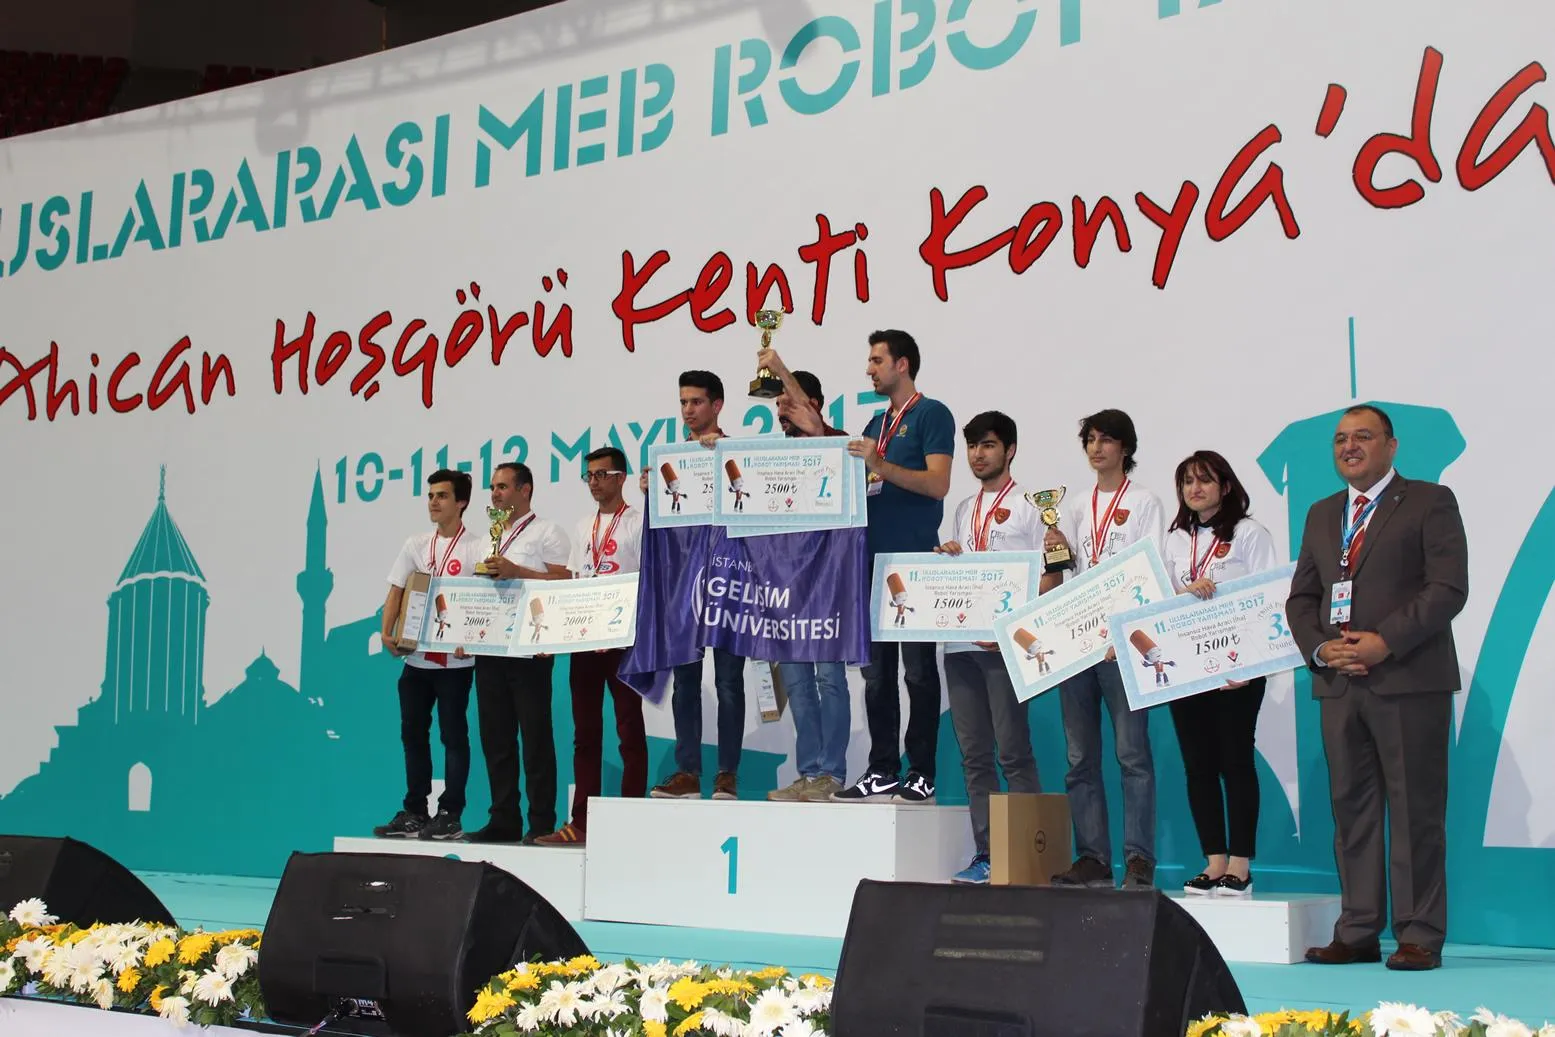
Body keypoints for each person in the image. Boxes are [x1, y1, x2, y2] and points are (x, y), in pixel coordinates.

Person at [1287, 404, 1468, 971]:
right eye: (1341, 438)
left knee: (1416, 812)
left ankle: (1418, 935)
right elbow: (1302, 598)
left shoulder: (1430, 502)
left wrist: (1384, 642)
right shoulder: (1322, 513)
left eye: (1363, 436)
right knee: (1352, 811)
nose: (1350, 446)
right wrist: (1323, 649)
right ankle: (1359, 929)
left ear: (1391, 446)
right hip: (1340, 685)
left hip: (1408, 680)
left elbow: (1448, 588)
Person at [1042, 409, 1165, 889]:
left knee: (1132, 756)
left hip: (1123, 646)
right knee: (1080, 759)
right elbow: (1070, 570)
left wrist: (1126, 634)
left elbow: (1150, 571)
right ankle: (1093, 857)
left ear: (1124, 448)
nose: (1096, 448)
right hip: (1078, 646)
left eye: (1106, 439)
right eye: (1090, 440)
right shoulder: (1075, 505)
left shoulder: (1145, 502)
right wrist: (1056, 549)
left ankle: (1139, 859)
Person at [834, 330, 954, 804]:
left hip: (914, 561)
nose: (869, 369)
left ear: (902, 364)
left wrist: (880, 465)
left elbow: (938, 484)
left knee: (919, 673)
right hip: (871, 563)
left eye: (876, 360)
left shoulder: (932, 414)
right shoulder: (875, 422)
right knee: (876, 675)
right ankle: (882, 769)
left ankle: (921, 771)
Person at [1162, 450, 1280, 897]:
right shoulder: (1175, 539)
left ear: (1225, 487)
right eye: (1188, 482)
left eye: (1205, 480)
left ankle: (1240, 864)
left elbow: (1270, 597)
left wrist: (1253, 664)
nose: (1195, 489)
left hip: (1237, 668)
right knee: (1198, 766)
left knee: (1235, 760)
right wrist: (1184, 594)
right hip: (1188, 668)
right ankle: (1213, 861)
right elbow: (1160, 601)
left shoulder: (1249, 534)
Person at [936, 411, 1043, 884]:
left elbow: (1049, 577)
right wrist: (949, 559)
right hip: (960, 646)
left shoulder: (1030, 506)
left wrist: (1011, 631)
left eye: (989, 445)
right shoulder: (963, 508)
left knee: (1013, 752)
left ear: (1010, 450)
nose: (978, 455)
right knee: (974, 756)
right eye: (972, 446)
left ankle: (1025, 854)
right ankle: (988, 854)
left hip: (1005, 649)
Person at [535, 447, 649, 846]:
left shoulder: (638, 523)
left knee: (629, 729)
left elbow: (648, 580)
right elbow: (573, 583)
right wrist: (554, 633)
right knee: (585, 734)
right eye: (589, 476)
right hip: (584, 642)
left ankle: (631, 818)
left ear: (621, 477)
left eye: (602, 474)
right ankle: (581, 822)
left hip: (622, 642)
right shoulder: (583, 526)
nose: (594, 482)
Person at [372, 469, 487, 841]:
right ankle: (415, 811)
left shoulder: (478, 547)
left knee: (453, 736)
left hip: (455, 662)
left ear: (461, 502)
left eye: (442, 496)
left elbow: (484, 601)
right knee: (412, 735)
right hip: (417, 659)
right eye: (431, 495)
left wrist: (474, 638)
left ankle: (450, 813)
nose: (434, 502)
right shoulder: (416, 544)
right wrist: (386, 631)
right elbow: (396, 589)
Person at [649, 370, 748, 801]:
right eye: (683, 402)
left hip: (728, 579)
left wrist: (722, 455)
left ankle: (727, 774)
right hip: (684, 584)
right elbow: (665, 529)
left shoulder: (737, 455)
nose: (688, 410)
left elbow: (750, 512)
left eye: (697, 402)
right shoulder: (671, 461)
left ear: (717, 405)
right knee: (685, 682)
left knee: (728, 682)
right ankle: (687, 772)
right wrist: (651, 491)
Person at [758, 351, 852, 803]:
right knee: (796, 683)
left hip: (828, 583)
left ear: (813, 405)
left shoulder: (838, 445)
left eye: (789, 403)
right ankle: (809, 770)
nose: (782, 412)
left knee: (829, 678)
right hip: (785, 585)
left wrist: (779, 366)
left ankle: (832, 772)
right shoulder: (769, 458)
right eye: (778, 406)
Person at [465, 463, 571, 845]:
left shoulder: (548, 532)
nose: (495, 494)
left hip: (530, 648)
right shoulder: (486, 539)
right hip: (490, 647)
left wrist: (517, 570)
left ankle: (541, 822)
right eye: (492, 487)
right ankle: (503, 819)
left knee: (535, 737)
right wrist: (465, 632)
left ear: (525, 490)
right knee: (496, 738)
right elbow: (476, 592)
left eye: (503, 487)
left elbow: (564, 581)